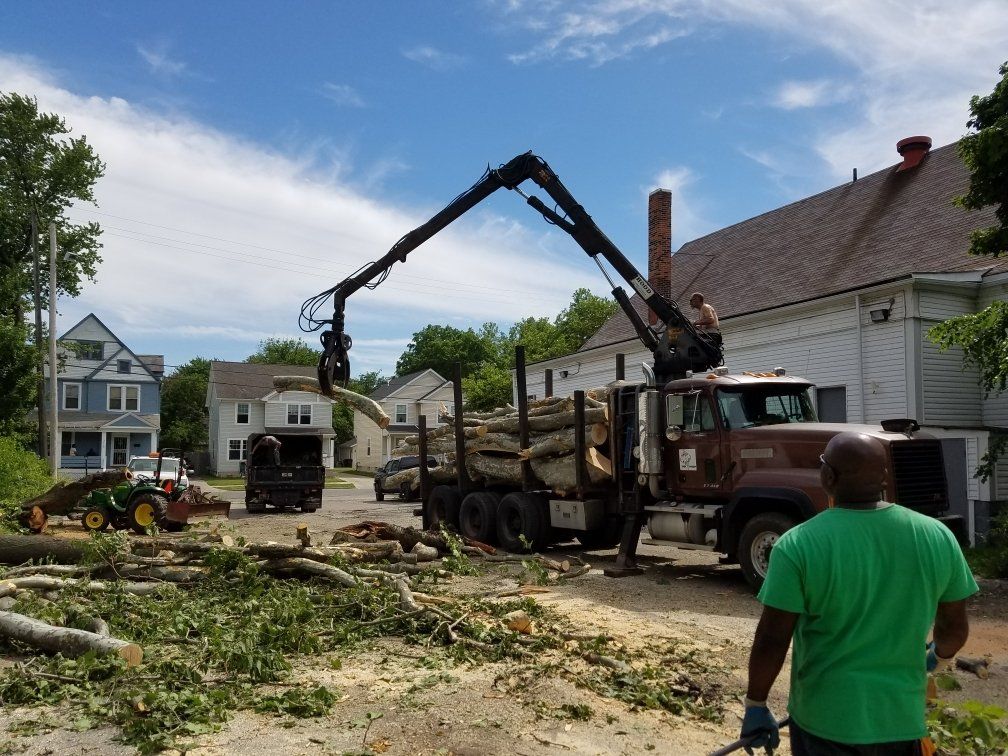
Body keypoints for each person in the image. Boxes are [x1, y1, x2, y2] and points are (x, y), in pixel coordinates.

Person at [741, 431, 977, 755]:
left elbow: (772, 638)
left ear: (827, 477)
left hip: (824, 723)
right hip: (901, 722)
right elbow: (953, 630)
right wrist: (936, 658)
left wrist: (756, 703)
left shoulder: (797, 545)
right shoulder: (936, 536)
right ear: (883, 477)